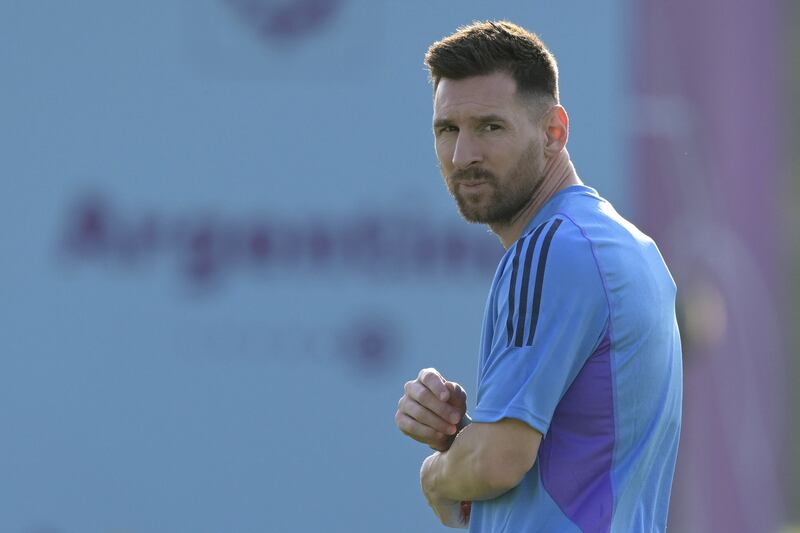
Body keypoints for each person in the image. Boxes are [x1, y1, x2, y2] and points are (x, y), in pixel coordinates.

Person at [394, 21, 682, 532]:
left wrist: (436, 476)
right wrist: (464, 436)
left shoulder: (551, 250)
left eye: (490, 127)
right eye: (448, 130)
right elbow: (578, 457)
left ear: (554, 132)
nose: (464, 156)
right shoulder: (628, 247)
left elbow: (497, 463)